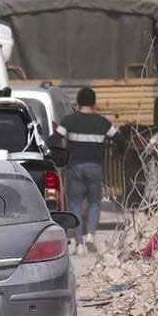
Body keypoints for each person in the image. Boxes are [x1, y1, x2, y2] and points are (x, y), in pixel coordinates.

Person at [55, 87, 116, 252]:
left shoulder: (69, 121)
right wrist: (116, 153)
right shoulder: (102, 122)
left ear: (79, 102)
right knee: (95, 202)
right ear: (94, 103)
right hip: (95, 167)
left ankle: (79, 244)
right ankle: (91, 235)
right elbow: (120, 140)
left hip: (74, 167)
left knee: (75, 204)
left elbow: (53, 139)